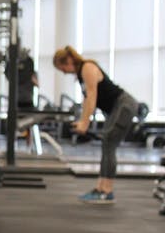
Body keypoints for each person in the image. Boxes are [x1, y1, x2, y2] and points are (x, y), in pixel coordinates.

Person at [53, 46, 138, 204]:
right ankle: (100, 188)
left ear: (69, 60)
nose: (64, 72)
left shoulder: (88, 67)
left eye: (62, 68)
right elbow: (87, 100)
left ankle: (107, 190)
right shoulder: (81, 74)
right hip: (116, 108)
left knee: (109, 143)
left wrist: (85, 123)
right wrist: (82, 120)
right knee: (107, 143)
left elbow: (92, 97)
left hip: (124, 105)